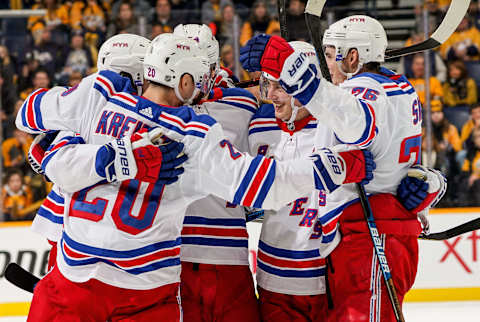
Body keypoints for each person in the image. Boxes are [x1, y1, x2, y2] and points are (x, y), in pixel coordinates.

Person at [18, 33, 372, 321]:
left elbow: (47, 146)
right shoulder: (191, 133)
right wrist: (329, 168)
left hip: (71, 279)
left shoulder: (99, 99)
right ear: (185, 81)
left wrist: (102, 155)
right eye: (201, 78)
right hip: (145, 293)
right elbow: (262, 185)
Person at [240, 15, 445, 321]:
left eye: (331, 54)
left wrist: (427, 187)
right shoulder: (399, 86)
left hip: (361, 240)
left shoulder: (358, 93)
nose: (328, 66)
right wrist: (430, 184)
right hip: (334, 251)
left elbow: (357, 125)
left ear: (352, 56)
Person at [248, 41, 331, 321]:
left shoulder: (337, 129)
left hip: (327, 278)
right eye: (267, 85)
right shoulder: (258, 129)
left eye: (280, 86)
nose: (271, 95)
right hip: (274, 280)